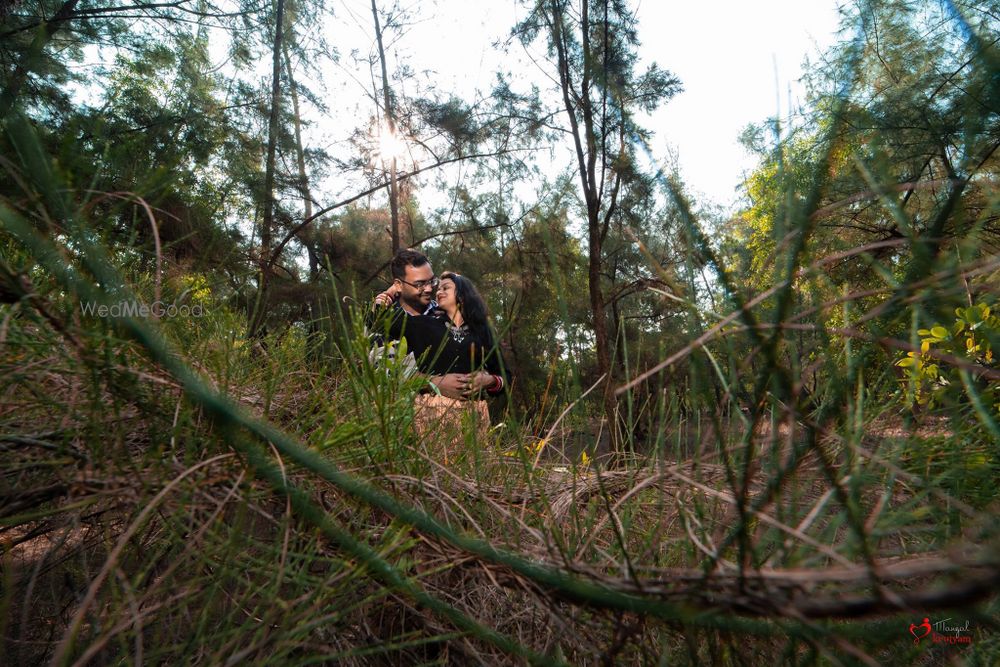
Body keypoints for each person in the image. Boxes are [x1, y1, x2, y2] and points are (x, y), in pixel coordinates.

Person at [371, 266, 509, 451]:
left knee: (468, 477)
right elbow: (379, 320)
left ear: (462, 294)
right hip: (430, 416)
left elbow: (505, 378)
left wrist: (488, 380)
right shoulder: (422, 325)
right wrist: (392, 291)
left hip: (473, 421)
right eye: (439, 288)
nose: (438, 291)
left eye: (446, 287)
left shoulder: (483, 333)